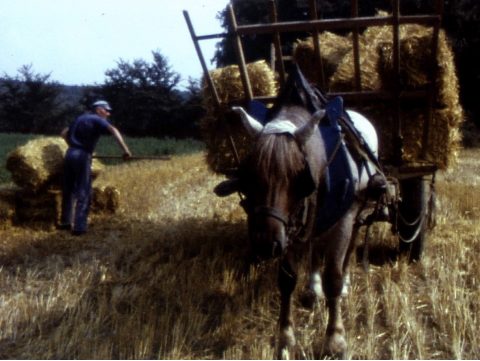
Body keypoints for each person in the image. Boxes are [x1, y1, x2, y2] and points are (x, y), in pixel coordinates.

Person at [58, 100, 132, 235]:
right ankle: (79, 227)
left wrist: (73, 145)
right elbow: (113, 130)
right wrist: (125, 150)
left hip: (70, 154)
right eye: (106, 110)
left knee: (69, 189)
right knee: (84, 190)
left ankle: (65, 222)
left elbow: (63, 133)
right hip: (82, 155)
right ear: (98, 110)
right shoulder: (97, 119)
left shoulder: (79, 118)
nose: (108, 114)